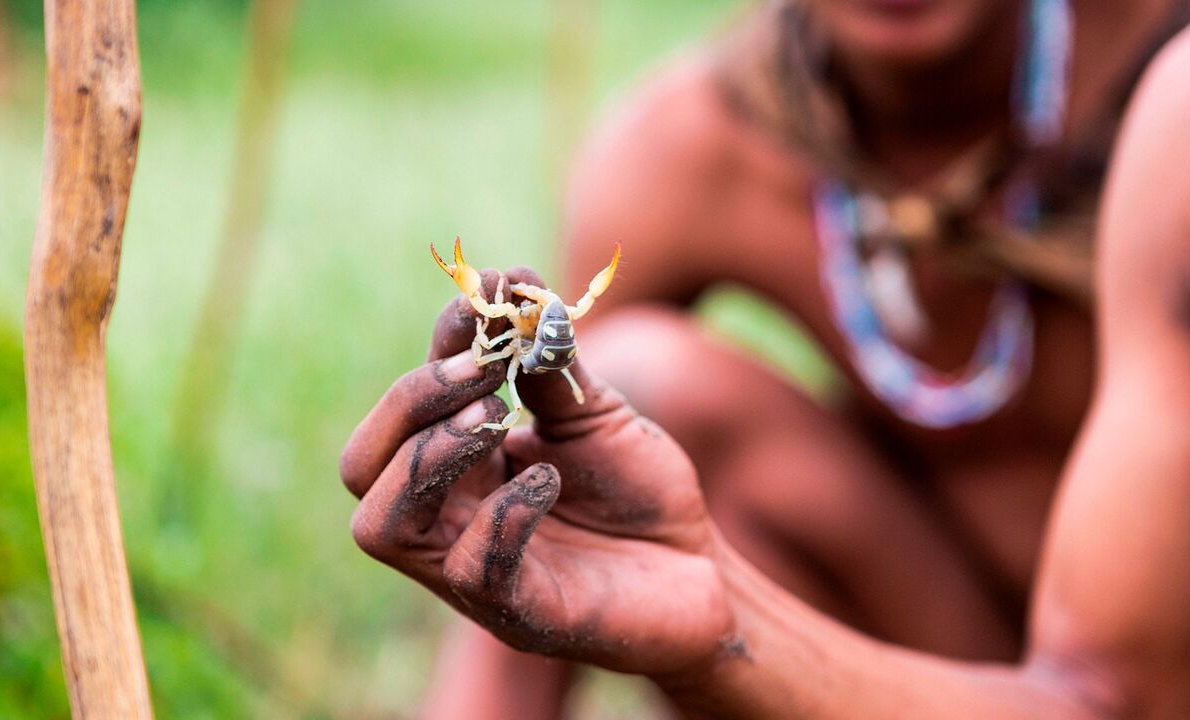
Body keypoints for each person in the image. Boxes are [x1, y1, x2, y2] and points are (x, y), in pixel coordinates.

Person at [340, 0, 1190, 717]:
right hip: (934, 650)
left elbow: (1119, 696)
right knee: (631, 388)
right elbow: (557, 519)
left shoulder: (1164, 88)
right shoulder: (685, 152)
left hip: (1148, 672)